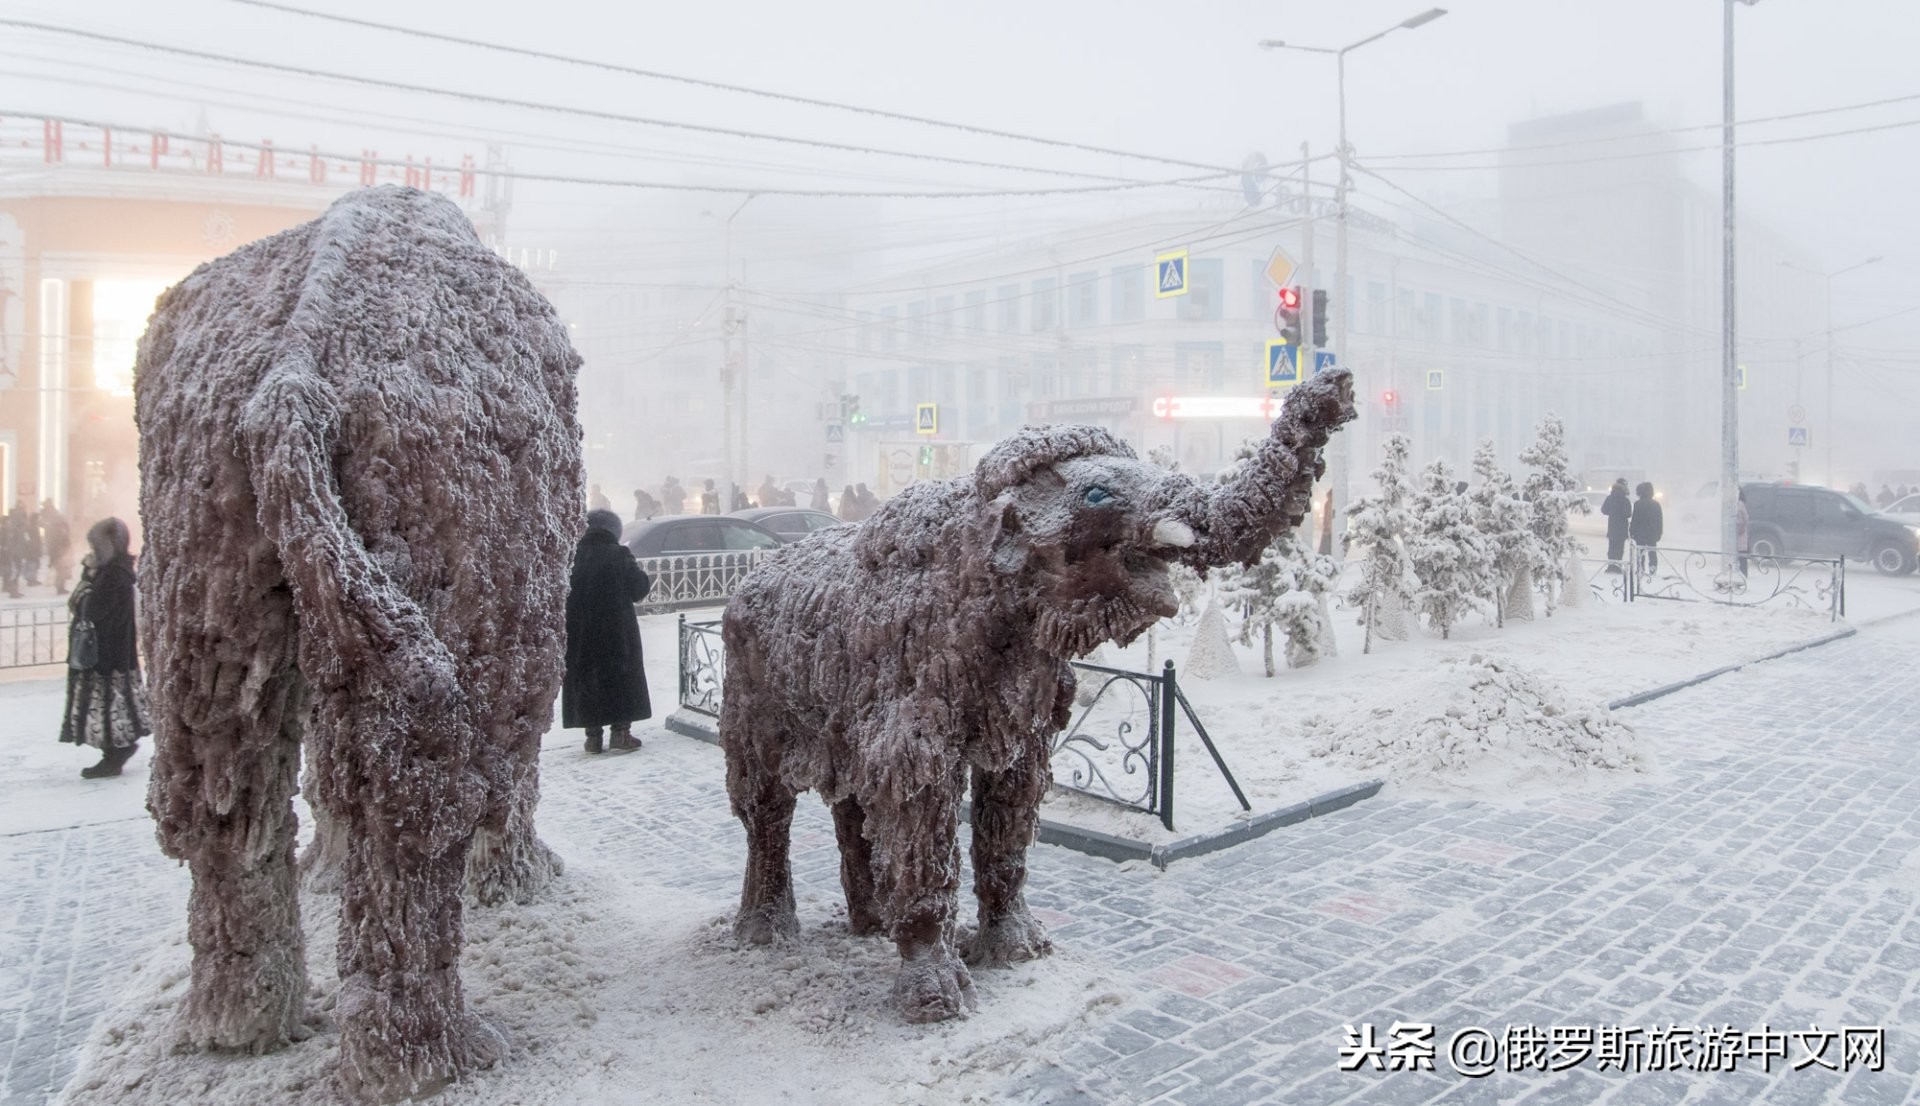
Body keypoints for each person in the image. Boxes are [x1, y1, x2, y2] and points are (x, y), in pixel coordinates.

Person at [59, 518, 150, 778]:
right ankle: (115, 750)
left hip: (108, 653)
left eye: (96, 545)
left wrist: (86, 583)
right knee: (109, 703)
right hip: (107, 651)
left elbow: (91, 608)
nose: (93, 551)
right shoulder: (111, 571)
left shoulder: (114, 575)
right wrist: (88, 578)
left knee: (109, 703)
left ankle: (116, 752)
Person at [562, 510, 652, 755]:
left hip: (581, 632)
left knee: (587, 679)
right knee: (619, 678)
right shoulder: (619, 554)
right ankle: (620, 734)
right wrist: (641, 574)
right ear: (613, 530)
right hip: (616, 632)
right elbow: (638, 589)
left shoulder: (572, 557)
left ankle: (592, 738)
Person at [1630, 481, 1664, 575]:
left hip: (1640, 533)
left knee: (1640, 552)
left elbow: (1635, 519)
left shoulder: (1638, 504)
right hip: (1652, 533)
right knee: (1652, 552)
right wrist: (1659, 533)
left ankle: (1640, 568)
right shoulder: (1656, 504)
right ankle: (1653, 567)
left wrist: (1632, 531)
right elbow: (1659, 520)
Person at [40, 500, 72, 594]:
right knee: (61, 571)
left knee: (62, 571)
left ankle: (61, 587)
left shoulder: (58, 531)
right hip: (59, 553)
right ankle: (60, 588)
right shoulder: (57, 534)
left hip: (61, 553)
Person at [1601, 478, 1632, 573]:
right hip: (1622, 527)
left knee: (1611, 548)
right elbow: (1628, 514)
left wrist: (1612, 512)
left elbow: (1604, 510)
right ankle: (1617, 567)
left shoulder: (1610, 498)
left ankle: (1611, 567)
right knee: (1619, 549)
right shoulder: (1625, 500)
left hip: (1612, 526)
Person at [19, 498, 41, 586]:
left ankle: (33, 579)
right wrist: (31, 548)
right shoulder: (31, 528)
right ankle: (31, 580)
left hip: (33, 549)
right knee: (32, 564)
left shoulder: (33, 527)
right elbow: (29, 540)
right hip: (31, 550)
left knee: (34, 564)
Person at [1736, 488, 1750, 576]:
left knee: (1741, 555)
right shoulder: (1740, 504)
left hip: (1740, 533)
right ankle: (1743, 573)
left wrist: (1741, 526)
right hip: (1740, 533)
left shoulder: (1739, 504)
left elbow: (1745, 518)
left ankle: (1743, 573)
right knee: (1741, 555)